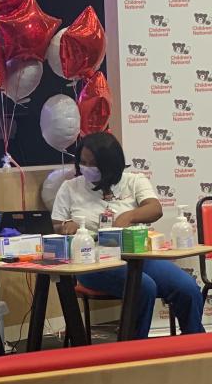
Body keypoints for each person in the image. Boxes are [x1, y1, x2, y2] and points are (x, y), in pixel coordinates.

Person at [52, 131, 206, 338]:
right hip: (93, 262)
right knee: (143, 287)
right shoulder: (70, 188)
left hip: (138, 257)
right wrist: (66, 226)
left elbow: (155, 208)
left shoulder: (133, 181)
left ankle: (195, 345)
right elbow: (57, 224)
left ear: (110, 164)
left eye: (93, 163)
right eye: (83, 162)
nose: (87, 168)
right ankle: (133, 349)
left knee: (187, 288)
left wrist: (130, 215)